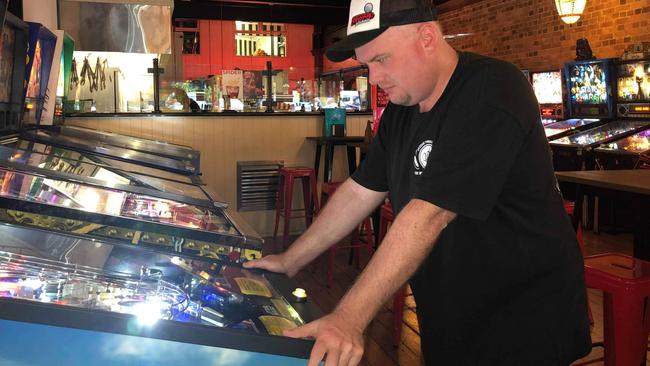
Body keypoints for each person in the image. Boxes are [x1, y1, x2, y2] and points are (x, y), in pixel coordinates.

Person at [244, 0, 592, 365]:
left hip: (525, 317)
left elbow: (430, 214)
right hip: (453, 312)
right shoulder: (401, 112)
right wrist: (290, 260)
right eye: (366, 65)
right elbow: (359, 191)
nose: (373, 78)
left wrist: (348, 318)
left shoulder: (493, 87)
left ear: (427, 37)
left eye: (381, 59)